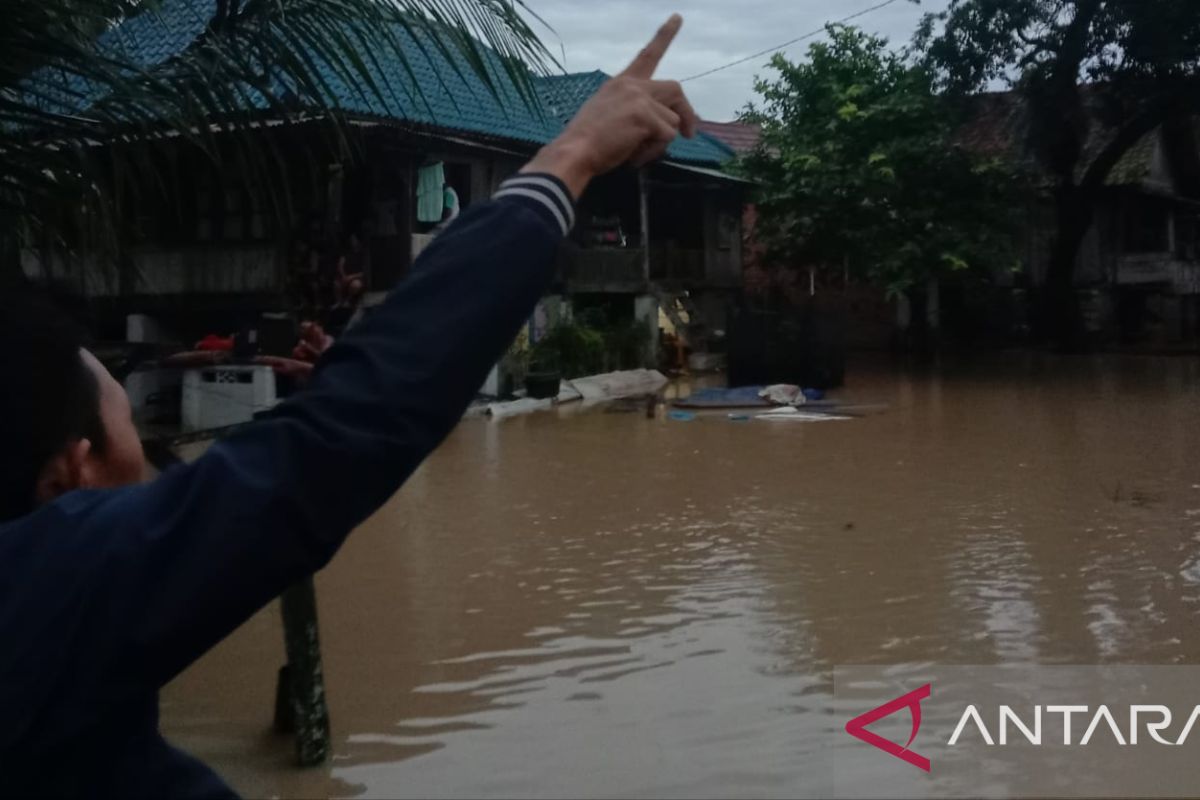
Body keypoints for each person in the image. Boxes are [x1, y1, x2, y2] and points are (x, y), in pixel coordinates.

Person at [0, 15, 698, 799]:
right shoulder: (43, 595)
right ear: (69, 473)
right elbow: (333, 446)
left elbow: (241, 477)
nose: (148, 445)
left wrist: (313, 404)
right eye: (124, 420)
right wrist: (569, 159)